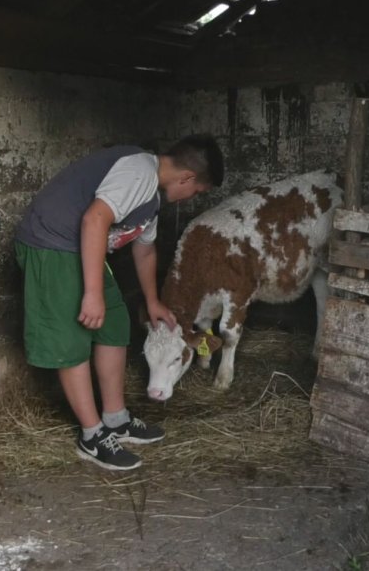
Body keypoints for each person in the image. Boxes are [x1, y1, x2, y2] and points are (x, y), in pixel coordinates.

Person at [14, 135, 224, 470]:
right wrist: (93, 293)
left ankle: (115, 419)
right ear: (186, 178)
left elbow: (144, 249)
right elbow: (94, 220)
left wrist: (153, 300)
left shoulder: (152, 197)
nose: (191, 198)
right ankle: (92, 436)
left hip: (79, 248)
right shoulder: (140, 173)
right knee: (72, 337)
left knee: (114, 323)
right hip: (51, 246)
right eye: (196, 192)